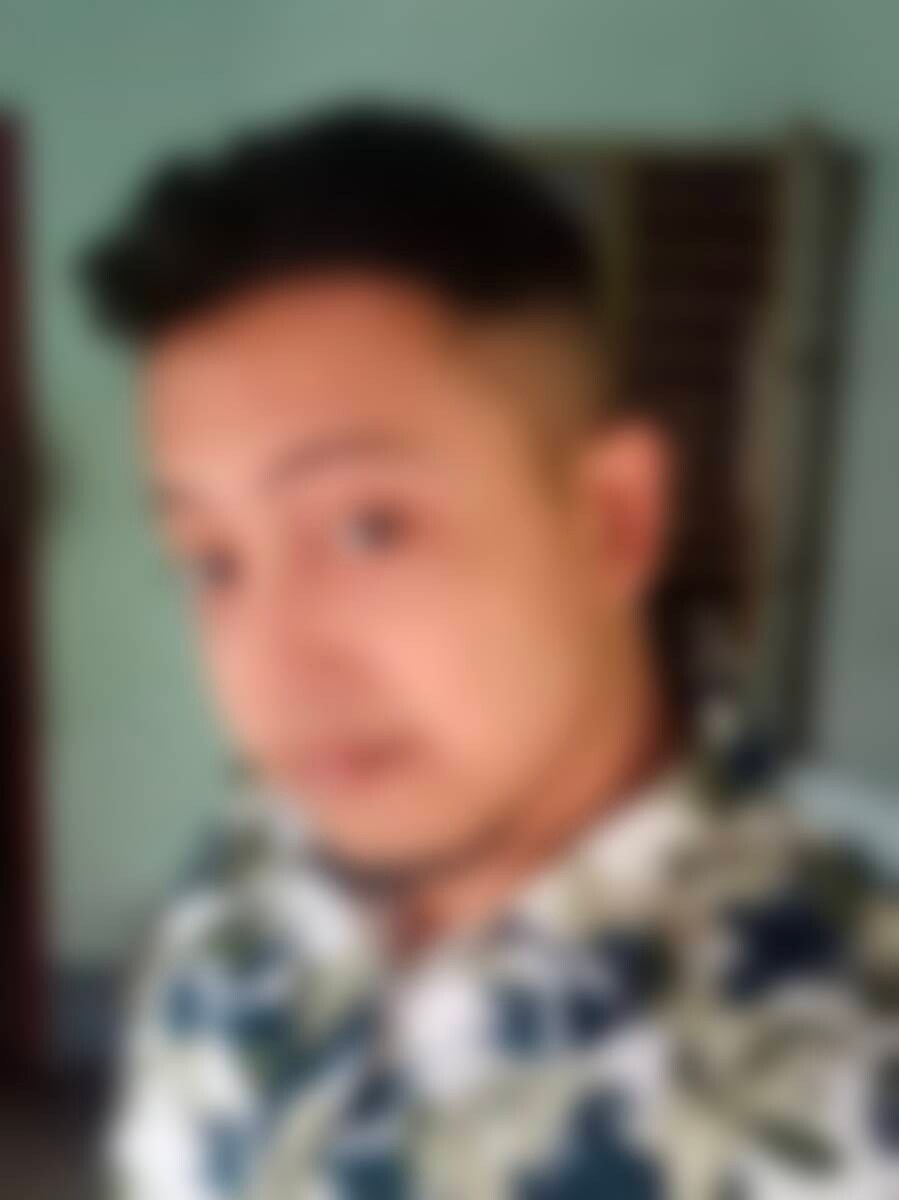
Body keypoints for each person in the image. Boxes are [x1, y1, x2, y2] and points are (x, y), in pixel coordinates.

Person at [77, 101, 895, 1199]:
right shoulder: (253, 865)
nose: (269, 673)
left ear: (613, 519)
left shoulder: (845, 1086)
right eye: (212, 561)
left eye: (369, 528)